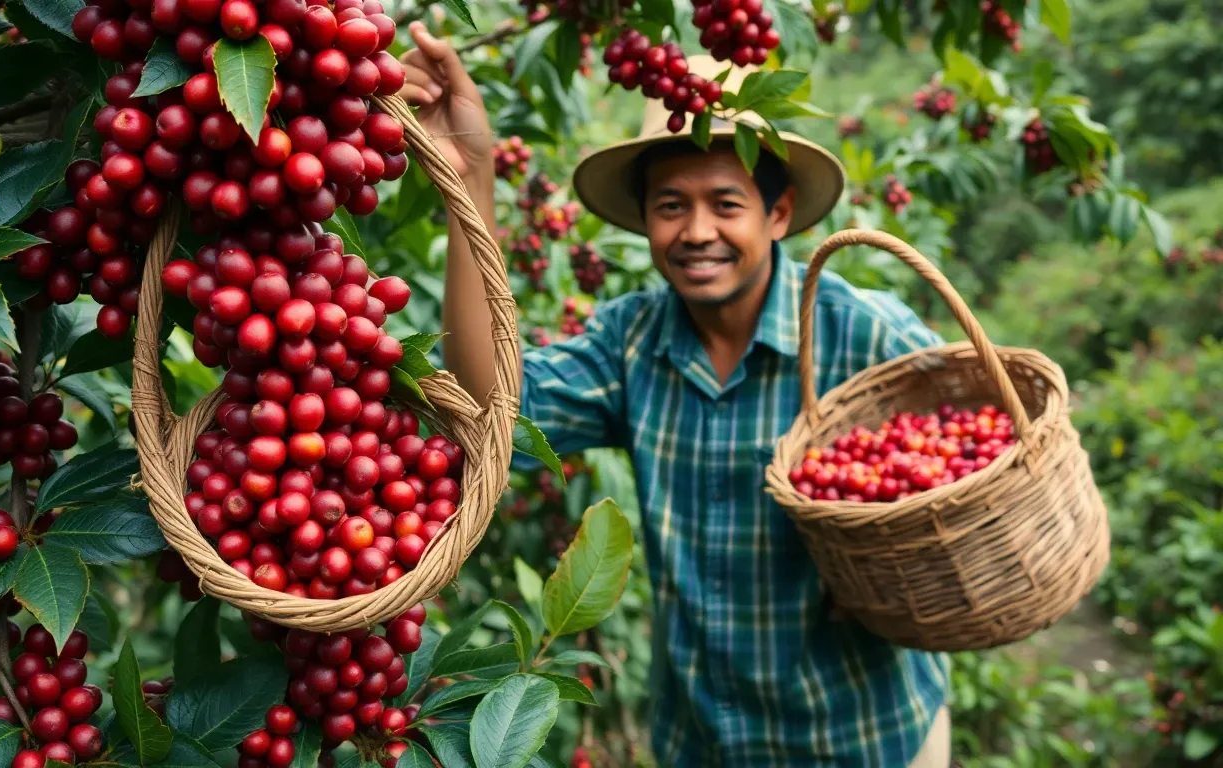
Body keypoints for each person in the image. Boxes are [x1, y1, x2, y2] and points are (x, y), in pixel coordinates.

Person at [399, 21, 954, 768]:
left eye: (727, 203)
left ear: (778, 214)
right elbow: (489, 412)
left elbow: (971, 471)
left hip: (864, 737)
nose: (697, 232)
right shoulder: (631, 345)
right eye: (670, 206)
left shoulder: (865, 337)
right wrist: (469, 177)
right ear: (645, 219)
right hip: (705, 741)